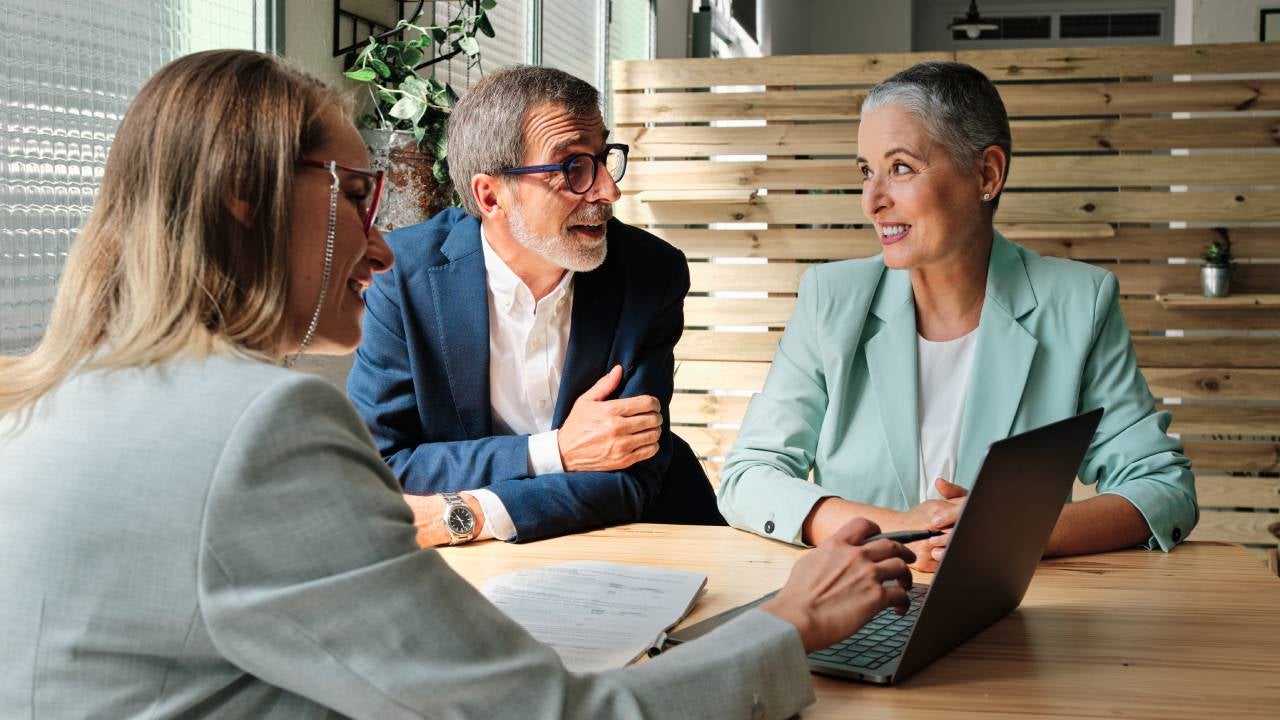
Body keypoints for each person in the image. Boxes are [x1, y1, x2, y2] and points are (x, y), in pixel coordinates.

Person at [0, 50, 917, 719]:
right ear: (248, 193)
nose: (380, 237)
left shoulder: (57, 402)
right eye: (358, 191)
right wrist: (787, 627)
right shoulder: (261, 422)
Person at [717, 61, 1198, 570]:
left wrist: (1009, 528)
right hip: (862, 607)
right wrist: (894, 531)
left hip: (1012, 612)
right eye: (866, 171)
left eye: (900, 167)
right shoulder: (829, 300)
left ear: (987, 173)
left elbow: (1162, 487)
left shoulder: (1080, 303)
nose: (872, 200)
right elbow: (749, 477)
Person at [347, 64, 721, 547]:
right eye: (573, 169)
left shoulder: (651, 274)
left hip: (641, 537)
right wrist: (554, 451)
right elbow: (380, 465)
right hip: (472, 564)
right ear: (490, 195)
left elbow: (633, 470)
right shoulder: (401, 276)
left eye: (604, 159)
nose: (609, 190)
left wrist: (475, 512)